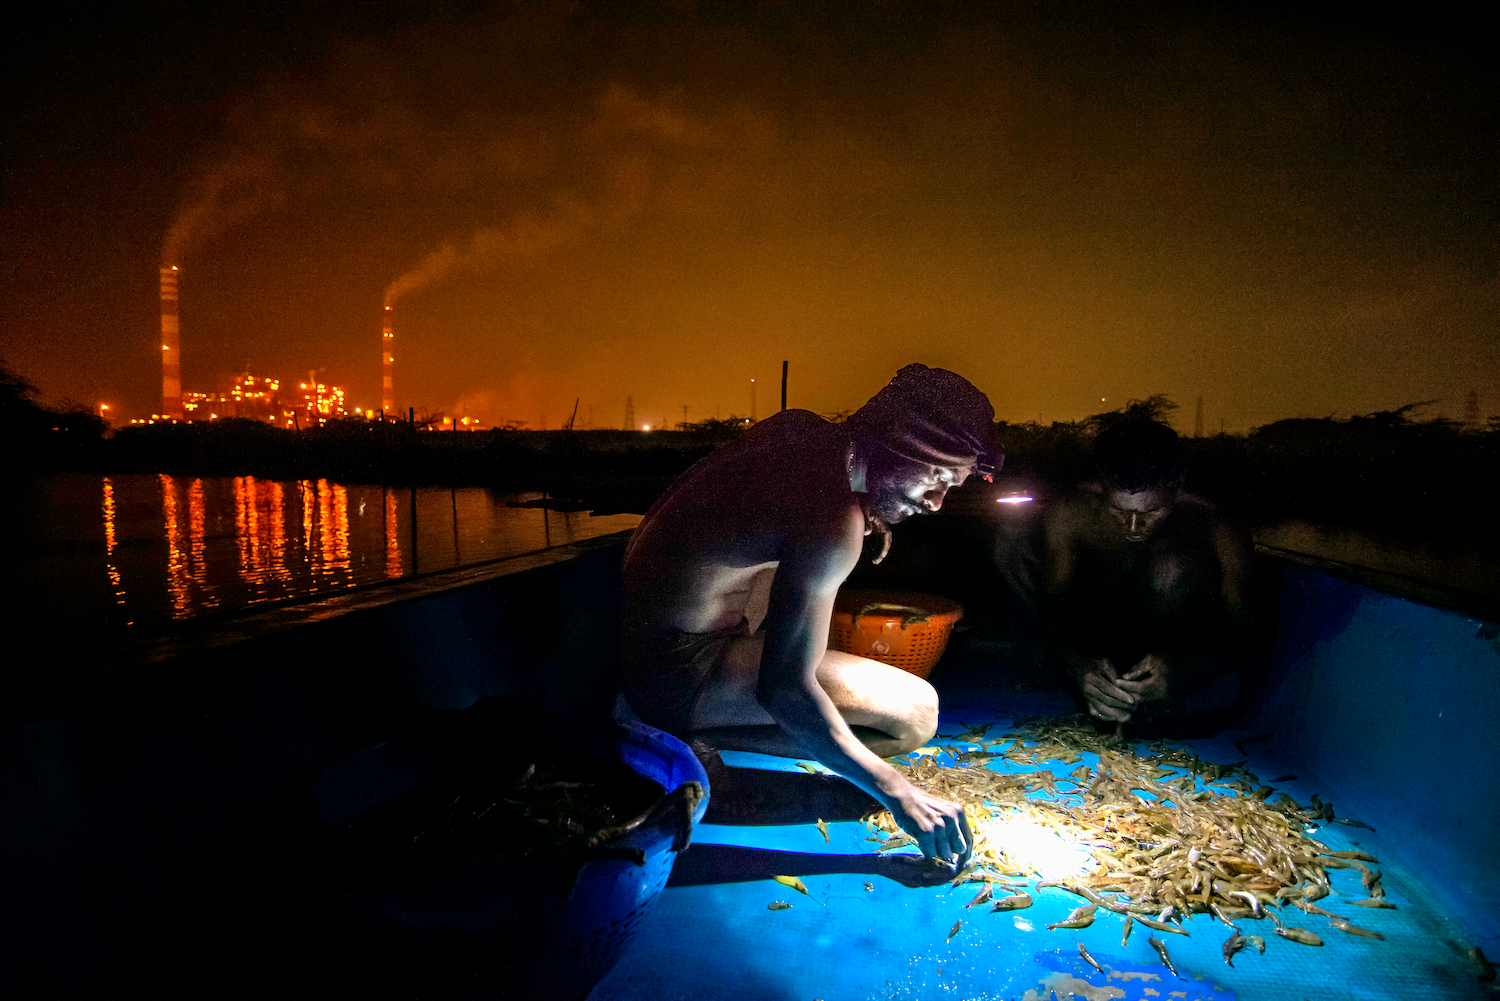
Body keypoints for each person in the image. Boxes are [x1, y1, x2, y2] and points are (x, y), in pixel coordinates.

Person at [620, 364, 1002, 867]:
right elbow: (784, 689)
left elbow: (776, 514)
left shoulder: (801, 431)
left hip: (640, 649)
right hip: (671, 674)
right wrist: (898, 791)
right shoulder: (831, 518)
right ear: (899, 443)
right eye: (937, 477)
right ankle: (686, 735)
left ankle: (686, 727)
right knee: (916, 715)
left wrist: (867, 510)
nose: (936, 503)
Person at [1028, 417, 1252, 726]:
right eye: (1119, 511)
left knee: (1171, 569)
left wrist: (1185, 669)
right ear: (1102, 485)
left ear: (1177, 484)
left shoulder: (1216, 527)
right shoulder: (1071, 511)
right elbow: (1051, 610)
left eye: (1151, 512)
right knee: (1011, 544)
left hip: (1180, 650)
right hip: (1099, 638)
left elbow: (1246, 637)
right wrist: (1076, 664)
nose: (1134, 527)